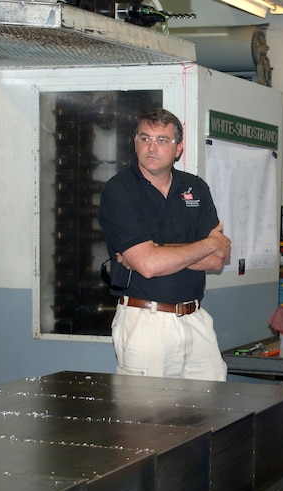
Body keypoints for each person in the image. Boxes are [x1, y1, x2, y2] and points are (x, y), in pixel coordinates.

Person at [98, 108, 231, 381]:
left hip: (195, 318)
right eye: (145, 138)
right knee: (148, 419)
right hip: (147, 321)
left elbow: (218, 258)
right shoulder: (119, 191)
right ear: (135, 143)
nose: (152, 147)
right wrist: (207, 244)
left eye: (162, 140)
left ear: (178, 148)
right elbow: (147, 265)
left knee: (211, 413)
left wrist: (157, 251)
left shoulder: (195, 188)